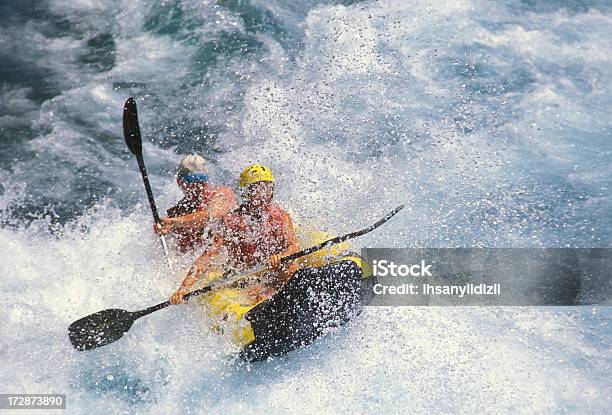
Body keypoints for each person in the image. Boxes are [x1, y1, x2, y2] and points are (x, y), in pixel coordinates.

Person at [169, 164, 298, 304]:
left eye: (266, 188)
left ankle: (269, 294)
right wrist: (183, 288)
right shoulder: (231, 222)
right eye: (256, 189)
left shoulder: (281, 216)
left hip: (270, 275)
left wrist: (280, 257)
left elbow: (292, 247)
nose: (261, 194)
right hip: (240, 278)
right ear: (246, 193)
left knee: (292, 267)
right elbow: (206, 257)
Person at [154, 154, 238, 252]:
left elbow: (212, 216)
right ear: (179, 182)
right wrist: (164, 230)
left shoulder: (223, 194)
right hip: (199, 261)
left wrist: (173, 222)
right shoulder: (178, 212)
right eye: (190, 180)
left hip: (229, 255)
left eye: (201, 179)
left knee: (218, 237)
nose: (198, 185)